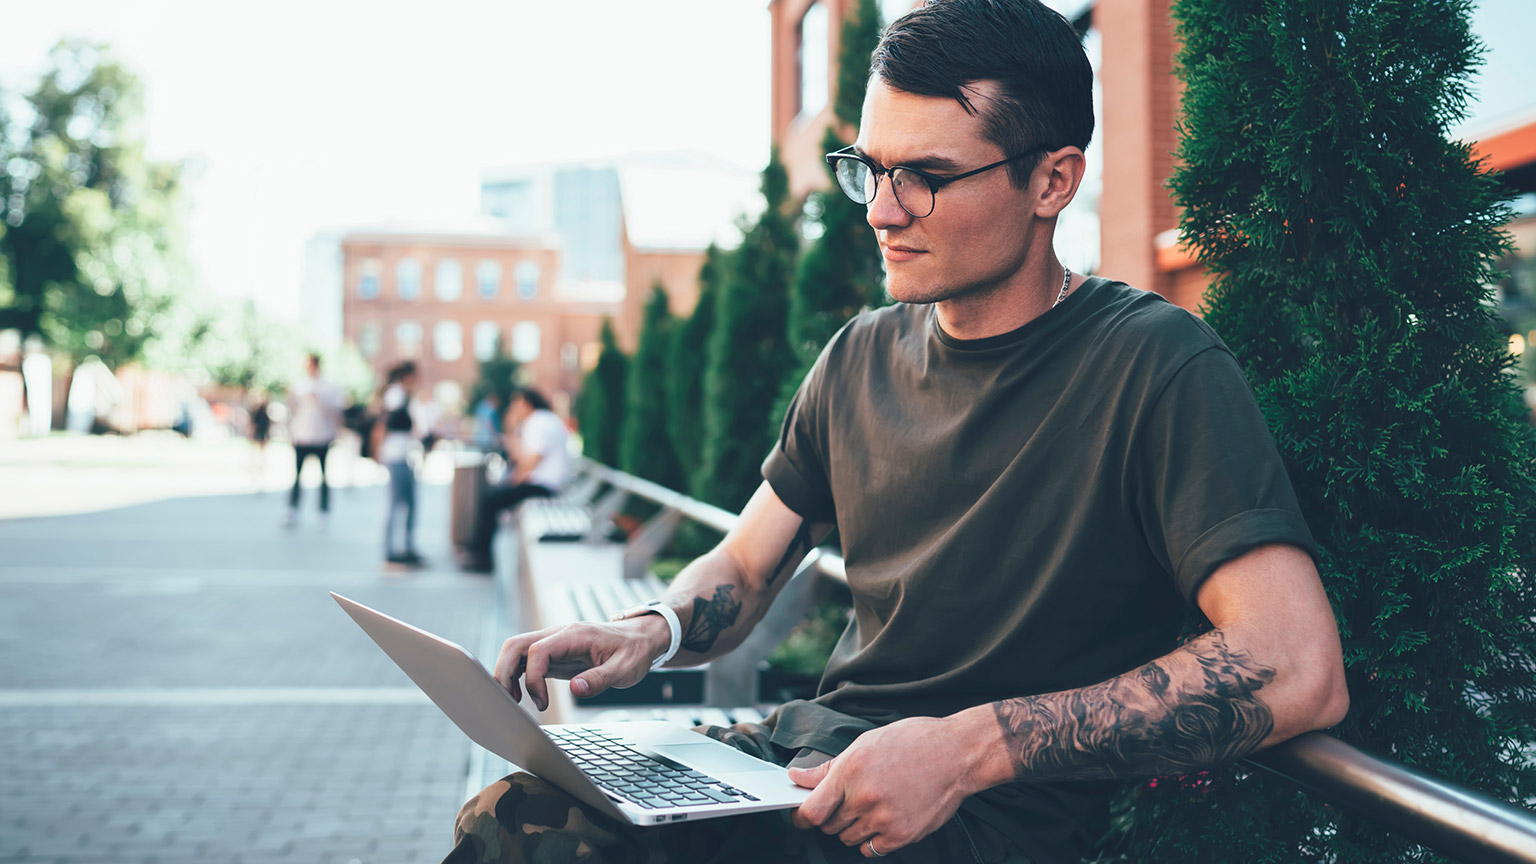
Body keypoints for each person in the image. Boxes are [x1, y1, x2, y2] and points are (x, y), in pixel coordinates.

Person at [446, 2, 1349, 862]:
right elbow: (748, 566)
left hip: (981, 822)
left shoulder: (1156, 364)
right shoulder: (857, 356)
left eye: (925, 177)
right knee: (517, 815)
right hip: (804, 769)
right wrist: (653, 630)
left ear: (1053, 180)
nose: (881, 210)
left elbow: (1295, 663)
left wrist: (965, 751)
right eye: (871, 170)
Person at [460, 388, 571, 574]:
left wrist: (510, 429)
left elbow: (528, 463)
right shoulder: (539, 421)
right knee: (492, 497)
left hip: (543, 486)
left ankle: (482, 559)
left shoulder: (541, 422)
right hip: (538, 483)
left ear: (527, 403)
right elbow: (522, 461)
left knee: (490, 500)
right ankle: (479, 555)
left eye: (516, 403)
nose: (513, 408)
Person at [373, 361, 425, 567]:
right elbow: (385, 423)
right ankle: (392, 549)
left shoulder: (401, 395)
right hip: (396, 455)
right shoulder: (396, 394)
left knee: (408, 503)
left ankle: (405, 547)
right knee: (396, 504)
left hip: (403, 454)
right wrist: (377, 450)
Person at [284, 353, 345, 526]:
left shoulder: (329, 385)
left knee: (324, 476)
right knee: (297, 475)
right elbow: (292, 407)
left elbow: (336, 409)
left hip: (322, 436)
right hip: (302, 436)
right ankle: (292, 509)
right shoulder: (299, 385)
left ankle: (323, 511)